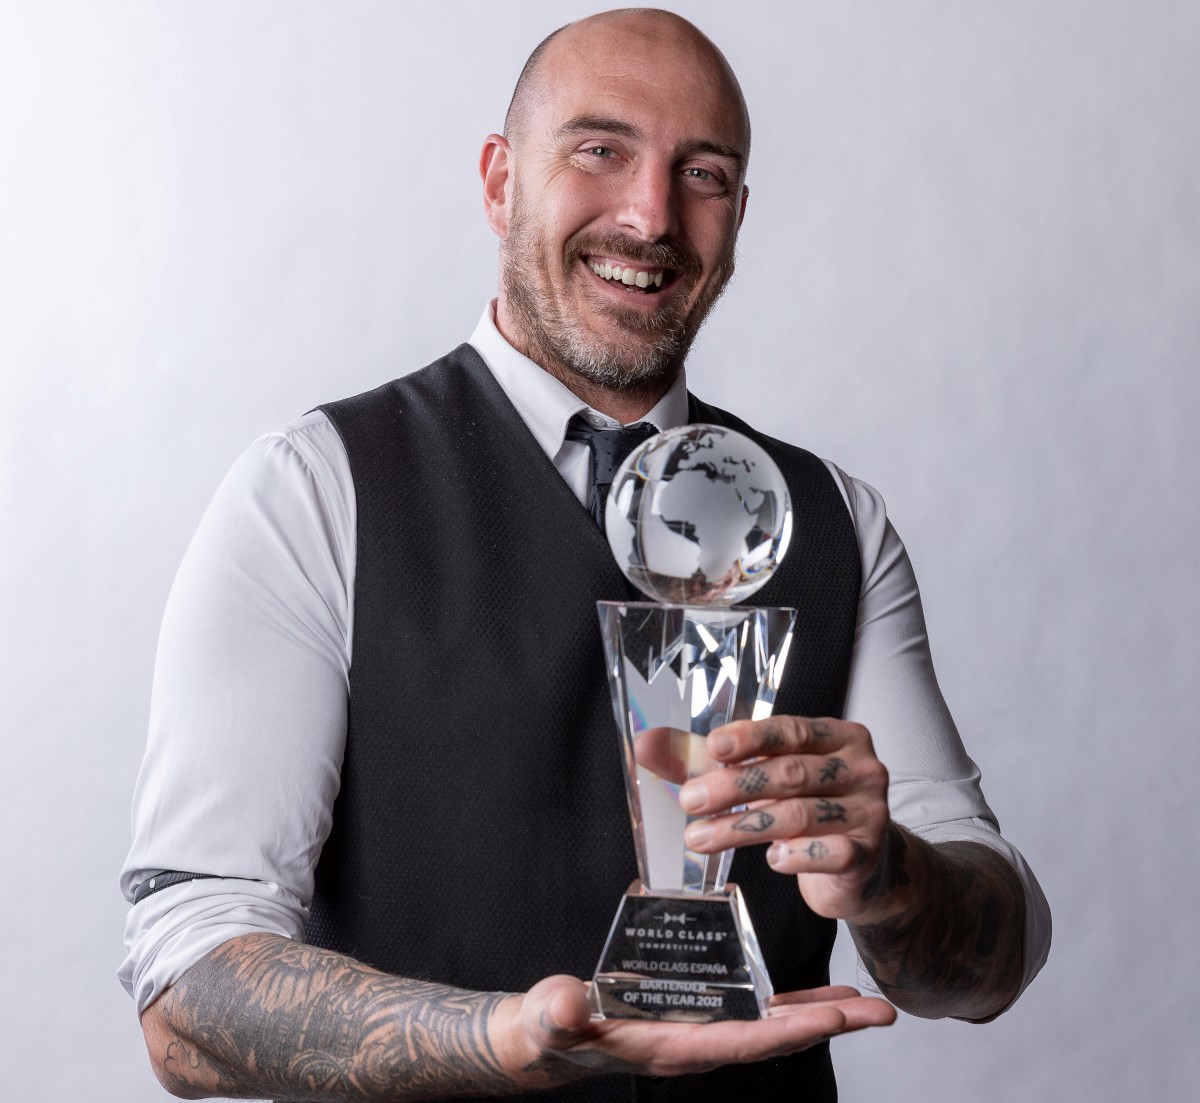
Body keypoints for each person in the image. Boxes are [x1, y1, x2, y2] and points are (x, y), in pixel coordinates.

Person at [120, 9, 1050, 1101]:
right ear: (499, 181)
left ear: (738, 217)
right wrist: (506, 1035)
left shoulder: (833, 520)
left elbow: (993, 962)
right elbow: (185, 994)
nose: (651, 215)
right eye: (600, 150)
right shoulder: (316, 490)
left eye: (701, 173)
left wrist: (892, 875)